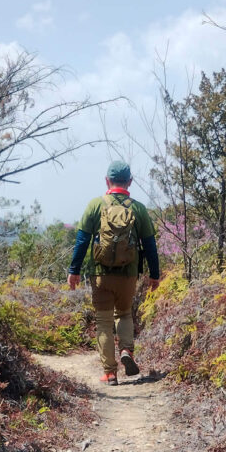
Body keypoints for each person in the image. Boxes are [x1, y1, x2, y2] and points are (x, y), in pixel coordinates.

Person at [67, 160, 160, 385]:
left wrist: (74, 270)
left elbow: (81, 241)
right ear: (129, 181)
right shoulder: (138, 209)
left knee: (103, 320)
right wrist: (154, 274)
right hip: (128, 274)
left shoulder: (95, 205)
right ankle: (127, 350)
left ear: (107, 180)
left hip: (100, 274)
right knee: (125, 314)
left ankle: (110, 373)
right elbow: (149, 245)